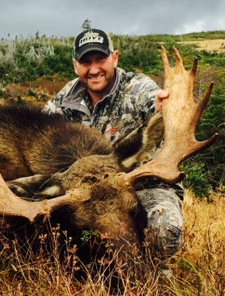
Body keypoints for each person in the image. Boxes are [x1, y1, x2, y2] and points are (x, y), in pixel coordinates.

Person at [42, 28, 183, 262]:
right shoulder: (66, 98)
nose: (94, 69)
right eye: (86, 62)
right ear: (75, 65)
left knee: (163, 232)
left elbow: (154, 101)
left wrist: (162, 106)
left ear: (115, 58)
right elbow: (39, 131)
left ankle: (152, 267)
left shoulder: (136, 88)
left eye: (101, 59)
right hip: (92, 193)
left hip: (142, 186)